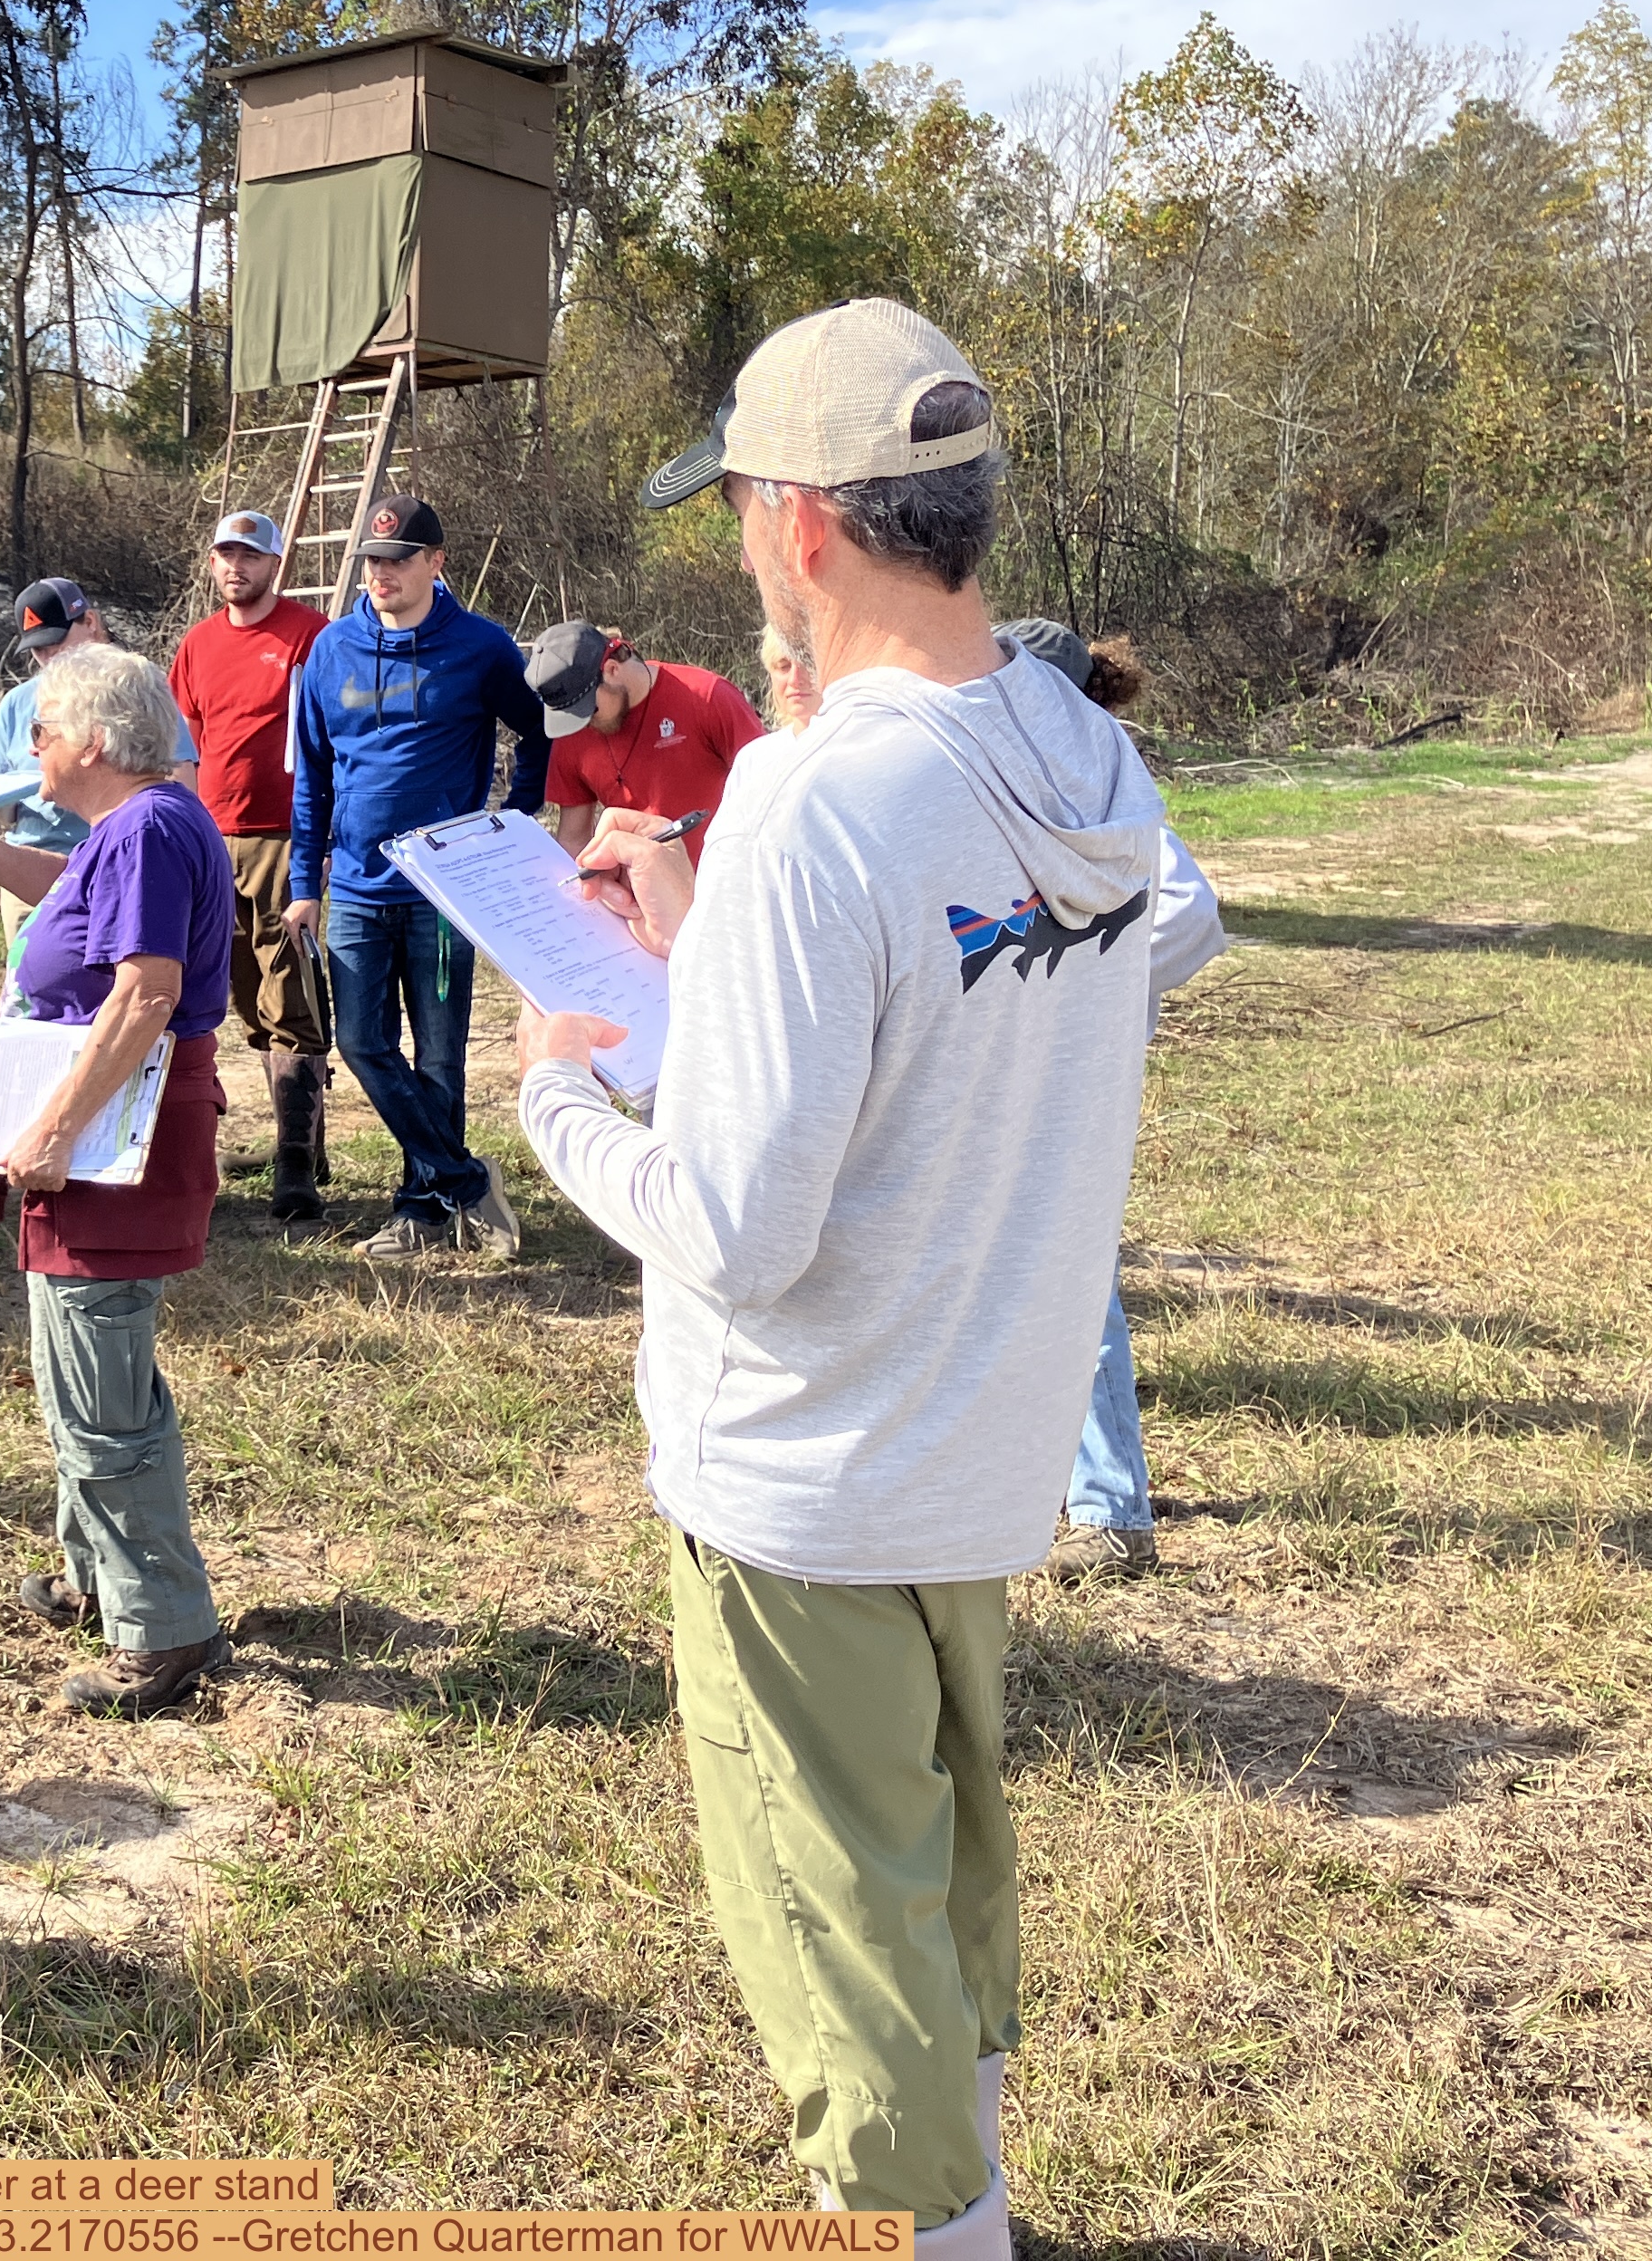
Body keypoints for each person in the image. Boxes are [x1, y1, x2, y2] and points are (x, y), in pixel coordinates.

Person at [517, 298, 1167, 2247]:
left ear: (799, 520)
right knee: (939, 1865)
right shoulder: (1086, 753)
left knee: (835, 1921)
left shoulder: (818, 797)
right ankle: (977, 2194)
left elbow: (739, 1231)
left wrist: (558, 1096)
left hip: (803, 1470)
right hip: (979, 1440)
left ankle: (928, 2226)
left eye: (734, 507)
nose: (737, 545)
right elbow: (938, 1023)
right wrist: (706, 943)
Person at [0, 641, 235, 1718]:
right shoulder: (136, 826)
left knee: (103, 1398)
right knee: (81, 1377)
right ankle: (99, 1574)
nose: (31, 749)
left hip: (112, 1147)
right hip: (103, 1142)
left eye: (42, 731)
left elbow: (145, 991)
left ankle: (164, 1631)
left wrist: (55, 1126)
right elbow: (82, 901)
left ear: (95, 742)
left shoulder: (145, 828)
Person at [991, 616, 1228, 1582]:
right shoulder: (1020, 779)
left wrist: (1082, 991)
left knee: (1071, 1275)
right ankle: (1052, 1476)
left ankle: (1111, 1508)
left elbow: (1189, 916)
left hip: (1067, 1073)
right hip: (1009, 1064)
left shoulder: (1100, 784)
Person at [286, 494, 548, 1261]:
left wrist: (512, 821)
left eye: (399, 561)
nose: (383, 574)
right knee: (361, 1042)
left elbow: (537, 733)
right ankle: (466, 1181)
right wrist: (304, 885)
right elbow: (313, 778)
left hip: (442, 892)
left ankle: (423, 1210)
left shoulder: (481, 647)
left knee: (438, 1057)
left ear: (435, 562)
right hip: (354, 889)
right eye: (373, 561)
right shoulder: (331, 650)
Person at [165, 510, 333, 1223]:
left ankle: (295, 1167)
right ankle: (306, 1142)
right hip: (212, 837)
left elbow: (333, 739)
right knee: (242, 994)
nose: (237, 567)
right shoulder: (198, 645)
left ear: (274, 564)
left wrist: (321, 843)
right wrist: (182, 829)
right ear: (212, 564)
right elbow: (183, 743)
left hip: (283, 836)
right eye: (226, 555)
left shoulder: (310, 636)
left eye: (251, 556)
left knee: (291, 991)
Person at [522, 620, 767, 856]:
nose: (583, 724)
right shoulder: (573, 730)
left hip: (717, 876)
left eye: (588, 710)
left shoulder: (706, 697)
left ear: (612, 670)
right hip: (636, 882)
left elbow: (770, 794)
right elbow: (573, 840)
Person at [0, 578, 107, 942]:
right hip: (27, 870)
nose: (50, 657)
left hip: (108, 867)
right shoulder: (16, 704)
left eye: (57, 643)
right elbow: (6, 811)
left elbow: (175, 785)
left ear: (89, 622)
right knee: (25, 979)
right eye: (39, 649)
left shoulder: (133, 694)